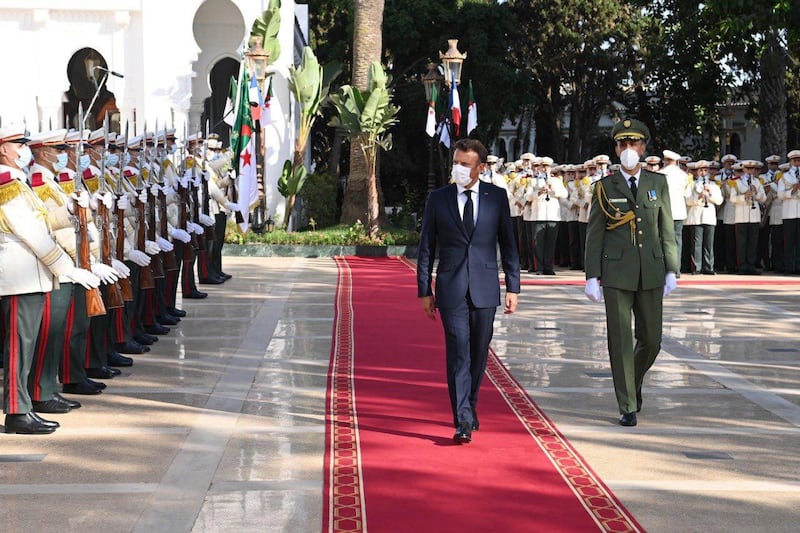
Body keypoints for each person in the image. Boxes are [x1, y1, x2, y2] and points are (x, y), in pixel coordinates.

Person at [417, 138, 520, 444]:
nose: (459, 169)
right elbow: (426, 248)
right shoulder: (439, 198)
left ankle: (470, 405)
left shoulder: (496, 197)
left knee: (478, 354)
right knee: (459, 351)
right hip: (451, 289)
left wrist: (513, 286)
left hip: (486, 288)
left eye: (465, 164)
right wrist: (424, 289)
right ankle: (462, 417)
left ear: (481, 168)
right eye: (456, 163)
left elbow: (509, 245)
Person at [584, 119, 679, 427]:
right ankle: (627, 404)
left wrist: (672, 268)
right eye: (622, 144)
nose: (628, 149)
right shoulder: (603, 187)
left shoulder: (658, 183)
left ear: (643, 147)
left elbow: (666, 229)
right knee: (621, 340)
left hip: (651, 270)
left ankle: (632, 379)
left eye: (633, 144)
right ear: (616, 149)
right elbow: (595, 234)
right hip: (616, 273)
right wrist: (591, 275)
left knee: (652, 340)